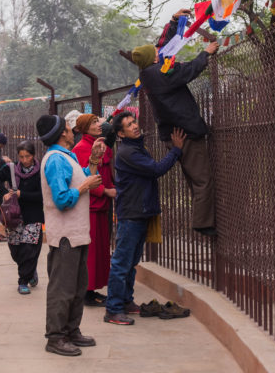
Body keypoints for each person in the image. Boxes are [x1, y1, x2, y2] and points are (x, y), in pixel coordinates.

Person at [103, 111, 185, 325]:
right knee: (122, 263)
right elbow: (156, 169)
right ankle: (113, 309)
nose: (135, 126)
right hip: (131, 214)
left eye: (134, 122)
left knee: (131, 262)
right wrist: (176, 151)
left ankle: (126, 301)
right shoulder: (129, 152)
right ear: (121, 133)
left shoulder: (136, 147)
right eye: (129, 125)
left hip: (139, 212)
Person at [133, 40, 220, 236]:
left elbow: (170, 52)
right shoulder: (160, 73)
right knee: (202, 179)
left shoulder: (146, 75)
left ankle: (201, 218)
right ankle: (203, 223)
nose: (159, 51)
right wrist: (205, 53)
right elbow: (187, 71)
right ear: (152, 57)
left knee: (193, 177)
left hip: (171, 133)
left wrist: (174, 23)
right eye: (155, 51)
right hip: (185, 132)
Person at [36, 114, 104, 357]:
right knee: (62, 289)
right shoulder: (55, 160)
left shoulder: (67, 156)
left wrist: (94, 160)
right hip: (65, 235)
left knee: (76, 286)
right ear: (61, 134)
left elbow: (83, 176)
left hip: (76, 233)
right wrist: (85, 186)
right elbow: (62, 199)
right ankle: (55, 337)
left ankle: (71, 331)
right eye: (67, 127)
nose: (70, 129)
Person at [0, 140, 44, 295]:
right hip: (14, 216)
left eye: (28, 156)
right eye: (22, 157)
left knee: (30, 249)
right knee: (16, 249)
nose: (25, 160)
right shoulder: (11, 169)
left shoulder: (41, 172)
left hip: (34, 215)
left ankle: (23, 281)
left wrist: (22, 194)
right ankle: (30, 270)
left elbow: (43, 194)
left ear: (33, 155)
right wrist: (4, 192)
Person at [71, 114, 115, 307]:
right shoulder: (80, 148)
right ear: (84, 128)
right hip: (90, 205)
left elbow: (106, 172)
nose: (99, 125)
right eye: (94, 123)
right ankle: (87, 292)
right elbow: (84, 176)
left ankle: (93, 289)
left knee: (100, 251)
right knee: (91, 251)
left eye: (98, 121)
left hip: (101, 204)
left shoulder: (99, 145)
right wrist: (104, 190)